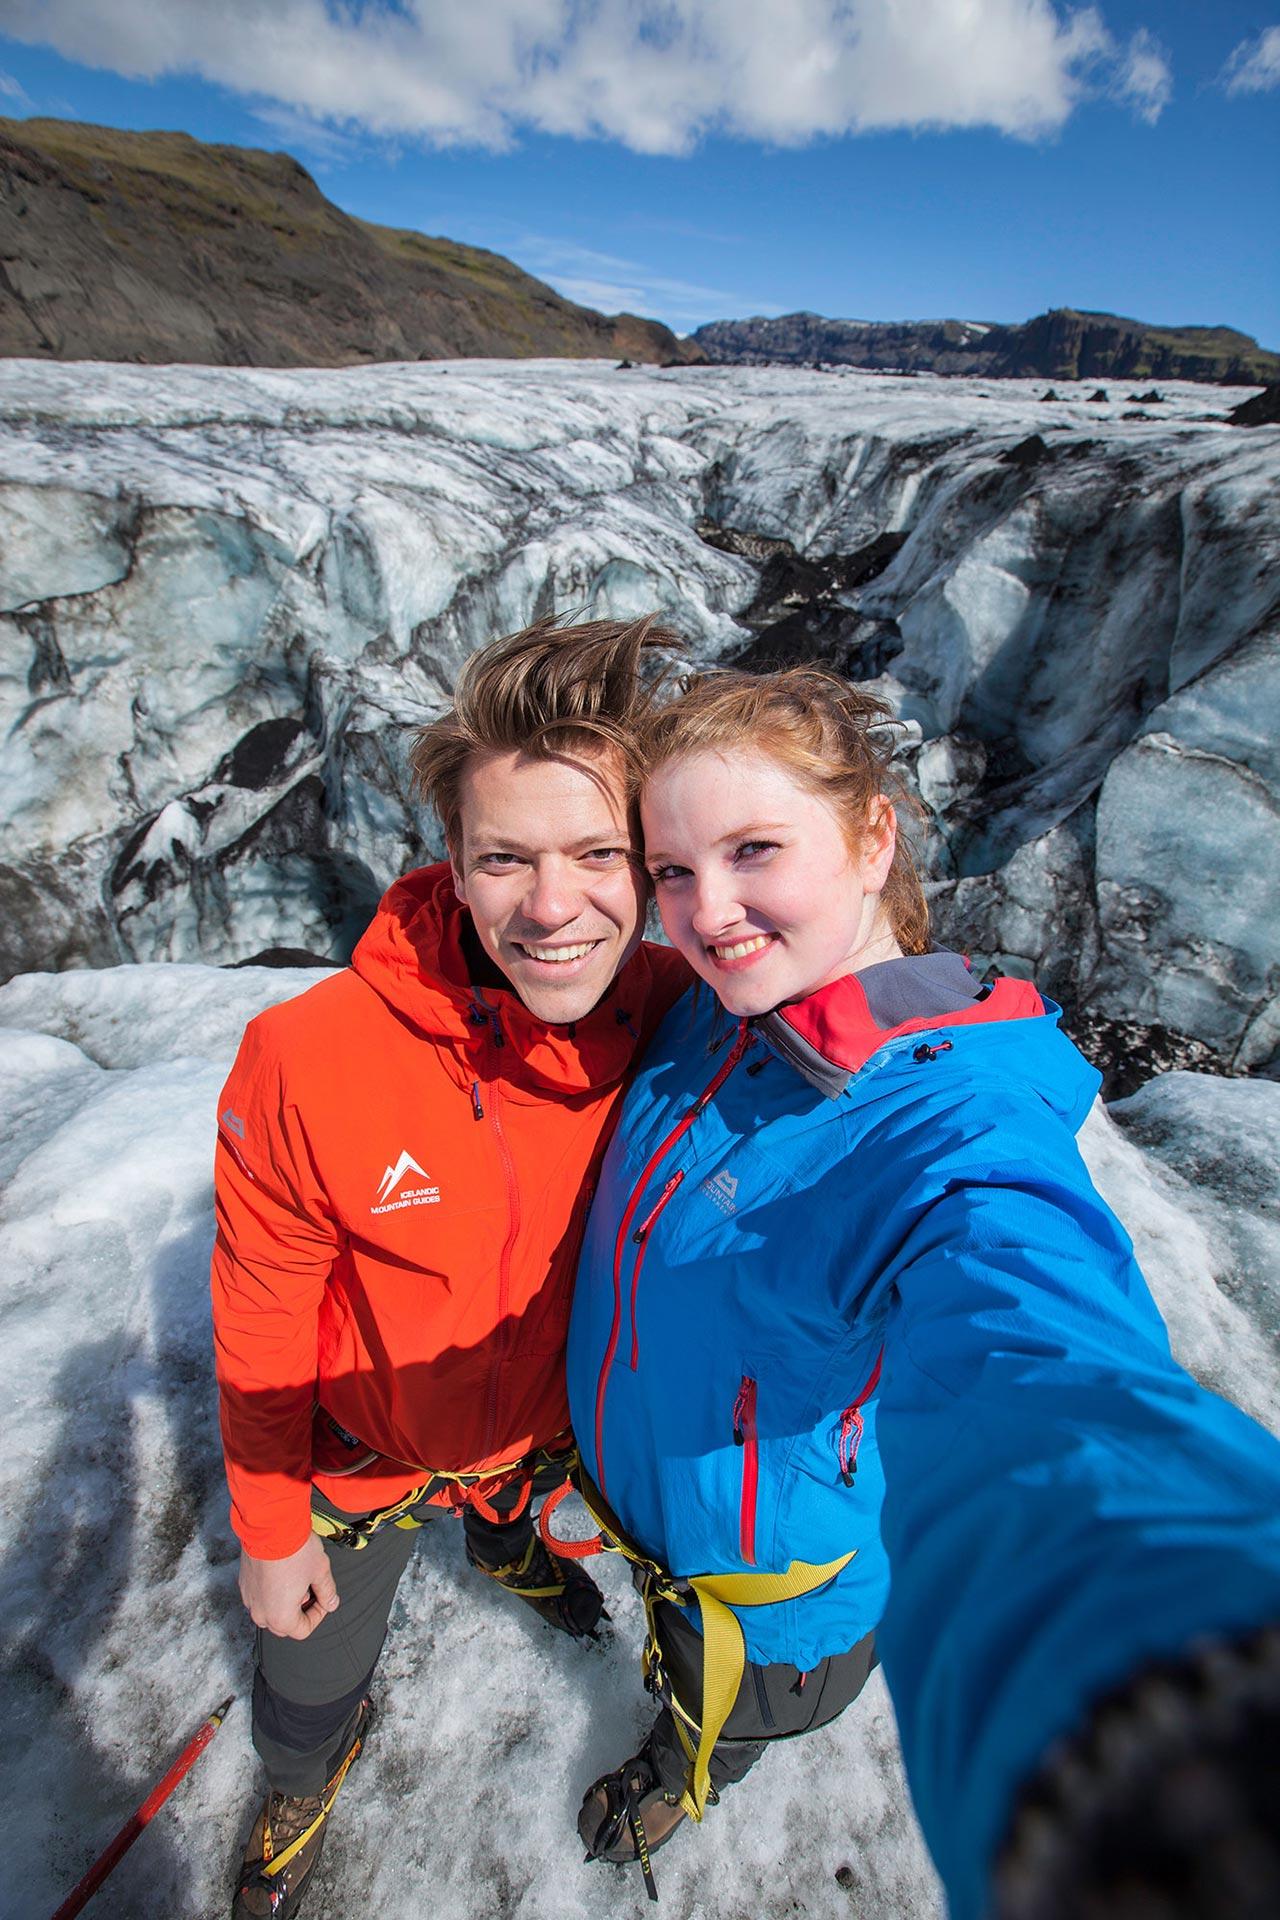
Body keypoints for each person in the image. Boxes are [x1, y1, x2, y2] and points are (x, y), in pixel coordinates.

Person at [562, 664, 1280, 1911]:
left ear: (871, 832)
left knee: (719, 1706)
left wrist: (1168, 1690)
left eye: (752, 850)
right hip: (650, 1505)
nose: (705, 909)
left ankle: (690, 1773)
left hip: (768, 1599)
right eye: (671, 870)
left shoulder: (949, 1129)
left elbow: (1037, 1364)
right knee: (668, 1637)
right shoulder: (717, 1011)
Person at [211, 616, 689, 1919]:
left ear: (650, 865)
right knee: (305, 1668)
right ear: (454, 869)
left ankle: (504, 1544)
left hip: (547, 1427)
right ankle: (304, 1773)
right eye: (507, 858)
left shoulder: (684, 1016)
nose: (552, 904)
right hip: (360, 1453)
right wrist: (265, 1527)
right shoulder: (314, 1058)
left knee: (515, 1498)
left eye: (598, 854)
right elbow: (261, 1308)